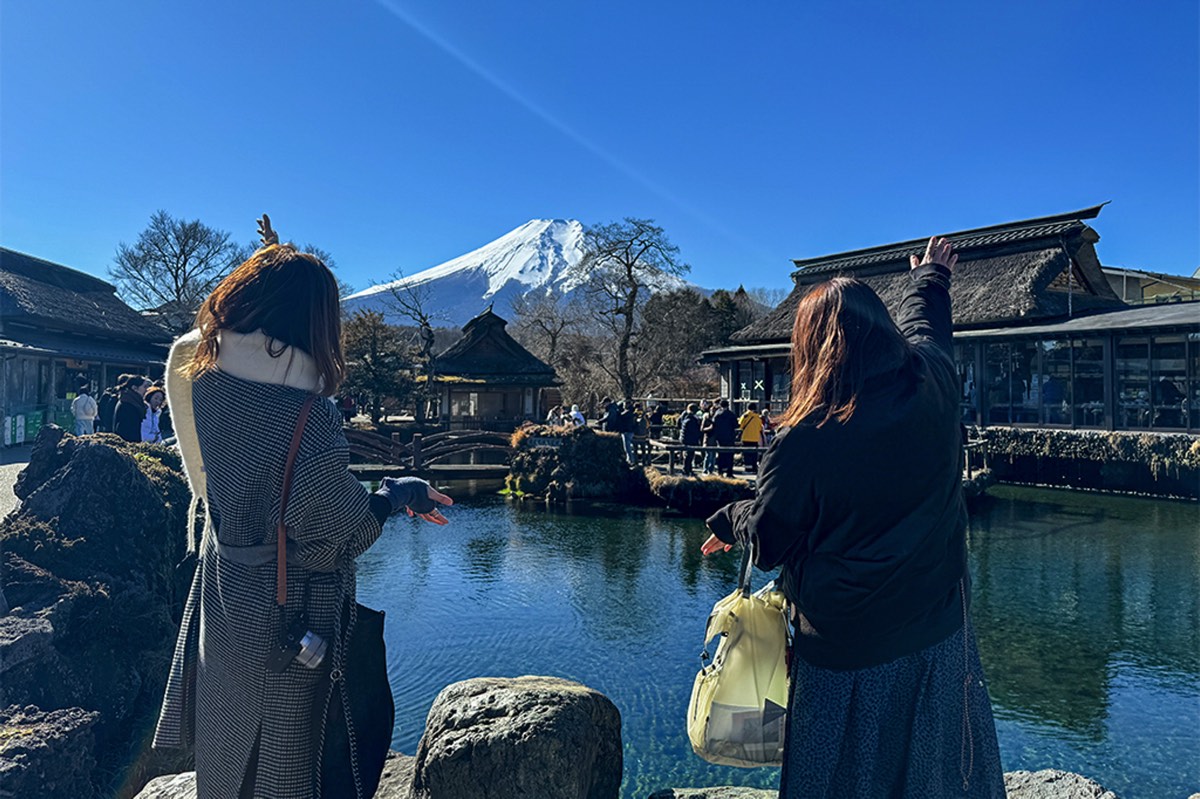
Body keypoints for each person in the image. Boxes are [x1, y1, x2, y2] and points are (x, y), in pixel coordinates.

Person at [153, 231, 454, 799]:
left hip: (226, 590)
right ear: (315, 325)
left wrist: (273, 260)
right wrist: (397, 494)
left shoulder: (206, 379)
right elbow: (344, 527)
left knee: (229, 737)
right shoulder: (305, 414)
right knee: (287, 761)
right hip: (287, 613)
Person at [701, 237, 1004, 799]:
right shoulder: (934, 382)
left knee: (842, 773)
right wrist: (931, 277)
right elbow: (929, 325)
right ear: (883, 331)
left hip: (848, 649)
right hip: (941, 628)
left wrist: (729, 518)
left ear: (811, 348)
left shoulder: (804, 440)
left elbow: (769, 540)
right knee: (936, 767)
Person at [113, 375, 150, 442]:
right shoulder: (128, 404)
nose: (147, 389)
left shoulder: (131, 401)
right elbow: (125, 430)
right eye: (144, 386)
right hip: (127, 444)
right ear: (134, 388)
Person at [709, 398, 737, 478]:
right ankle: (729, 472)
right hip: (730, 437)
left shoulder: (717, 414)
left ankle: (720, 471)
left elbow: (713, 424)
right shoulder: (731, 414)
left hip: (720, 437)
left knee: (721, 454)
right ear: (728, 406)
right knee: (730, 454)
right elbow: (735, 425)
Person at [737, 402, 764, 472]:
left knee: (746, 454)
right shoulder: (758, 417)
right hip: (755, 438)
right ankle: (754, 468)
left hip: (746, 437)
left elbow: (740, 425)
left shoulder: (745, 416)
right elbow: (760, 428)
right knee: (754, 454)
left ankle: (748, 468)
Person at [678, 402, 702, 476]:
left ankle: (687, 469)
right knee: (689, 455)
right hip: (690, 439)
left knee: (687, 454)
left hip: (683, 437)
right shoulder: (693, 420)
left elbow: (678, 424)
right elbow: (695, 431)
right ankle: (686, 469)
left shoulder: (684, 416)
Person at [698, 399, 716, 474]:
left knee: (713, 456)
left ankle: (711, 470)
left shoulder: (716, 418)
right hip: (707, 438)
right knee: (708, 455)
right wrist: (710, 427)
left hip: (715, 439)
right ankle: (705, 470)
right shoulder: (706, 418)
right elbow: (702, 429)